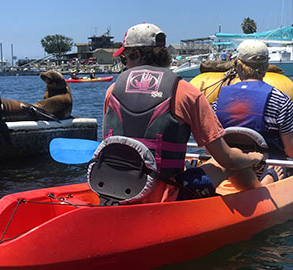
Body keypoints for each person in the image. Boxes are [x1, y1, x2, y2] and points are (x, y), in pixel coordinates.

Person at [103, 23, 266, 202]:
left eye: (124, 59)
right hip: (163, 195)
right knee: (229, 161)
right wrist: (252, 157)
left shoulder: (112, 91)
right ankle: (263, 198)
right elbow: (228, 159)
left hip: (112, 189)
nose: (125, 65)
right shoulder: (185, 92)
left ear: (137, 55)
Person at [212, 40, 293, 183]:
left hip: (230, 166)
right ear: (266, 66)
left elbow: (209, 146)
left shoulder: (218, 101)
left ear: (239, 67)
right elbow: (290, 149)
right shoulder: (281, 101)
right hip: (267, 168)